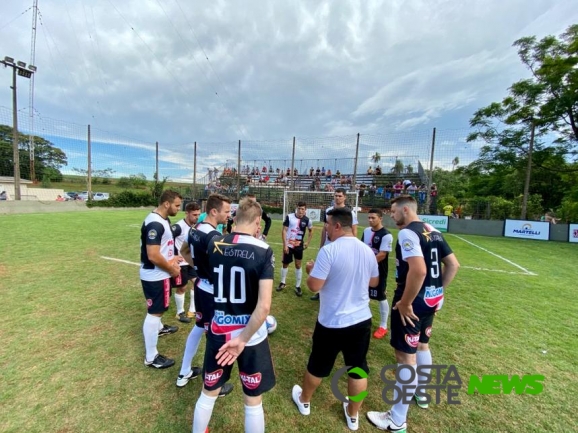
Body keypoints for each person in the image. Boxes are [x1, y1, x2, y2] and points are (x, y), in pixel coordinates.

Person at [366, 195, 460, 432]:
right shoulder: (432, 230)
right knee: (422, 346)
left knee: (406, 359)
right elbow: (454, 265)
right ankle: (421, 393)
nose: (391, 215)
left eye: (393, 211)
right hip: (431, 300)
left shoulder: (408, 233)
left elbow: (418, 270)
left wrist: (406, 302)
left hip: (412, 302)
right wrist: (438, 291)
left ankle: (396, 420)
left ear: (405, 210)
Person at [192, 198, 275, 433]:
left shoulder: (215, 243)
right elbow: (264, 306)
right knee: (253, 399)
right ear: (258, 222)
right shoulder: (263, 251)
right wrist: (243, 339)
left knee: (209, 391)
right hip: (251, 336)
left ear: (234, 218)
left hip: (220, 330)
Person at [292, 207, 379, 431]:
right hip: (361, 320)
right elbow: (374, 282)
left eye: (328, 225)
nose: (326, 229)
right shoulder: (367, 250)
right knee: (357, 368)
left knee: (318, 365)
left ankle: (305, 400)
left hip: (332, 322)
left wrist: (312, 269)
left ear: (338, 225)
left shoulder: (329, 250)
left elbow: (314, 286)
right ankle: (353, 414)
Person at [176, 193, 234, 398]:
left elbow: (183, 251)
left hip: (201, 286)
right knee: (214, 336)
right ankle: (213, 383)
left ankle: (184, 372)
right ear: (214, 211)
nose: (229, 214)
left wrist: (199, 268)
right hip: (211, 293)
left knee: (199, 327)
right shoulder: (214, 237)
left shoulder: (194, 229)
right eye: (227, 211)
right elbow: (227, 267)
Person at [140, 190, 183, 369]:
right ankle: (151, 357)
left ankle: (159, 328)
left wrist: (172, 258)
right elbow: (153, 255)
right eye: (177, 205)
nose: (179, 209)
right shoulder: (155, 223)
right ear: (167, 204)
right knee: (155, 311)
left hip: (159, 273)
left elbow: (163, 249)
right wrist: (172, 269)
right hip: (155, 275)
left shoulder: (163, 220)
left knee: (160, 309)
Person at [313, 188, 358, 301]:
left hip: (343, 247)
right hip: (329, 245)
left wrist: (352, 246)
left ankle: (338, 293)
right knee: (325, 269)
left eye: (340, 196)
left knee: (339, 269)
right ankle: (321, 292)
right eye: (336, 195)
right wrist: (321, 245)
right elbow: (324, 229)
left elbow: (354, 230)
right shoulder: (329, 210)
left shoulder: (350, 213)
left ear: (345, 197)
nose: (337, 198)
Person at [361, 208, 393, 339]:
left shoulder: (387, 235)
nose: (370, 220)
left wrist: (366, 264)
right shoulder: (366, 231)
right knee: (363, 294)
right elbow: (362, 248)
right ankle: (363, 320)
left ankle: (383, 326)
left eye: (373, 218)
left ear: (380, 218)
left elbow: (381, 255)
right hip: (365, 269)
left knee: (380, 296)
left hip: (379, 270)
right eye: (369, 218)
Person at [170, 202, 201, 323]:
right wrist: (173, 255)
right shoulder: (178, 227)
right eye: (194, 214)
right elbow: (167, 238)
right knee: (182, 287)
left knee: (197, 283)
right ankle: (180, 312)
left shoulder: (195, 226)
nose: (197, 217)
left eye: (198, 214)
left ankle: (192, 310)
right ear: (186, 213)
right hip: (181, 264)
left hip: (191, 261)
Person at [278, 201, 314, 297]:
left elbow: (311, 231)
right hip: (288, 245)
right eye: (299, 208)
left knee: (298, 265)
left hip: (299, 246)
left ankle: (298, 286)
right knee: (285, 263)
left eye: (302, 209)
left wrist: (307, 242)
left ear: (305, 210)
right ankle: (282, 282)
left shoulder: (307, 220)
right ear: (296, 208)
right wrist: (285, 245)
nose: (300, 211)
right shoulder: (289, 217)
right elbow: (284, 230)